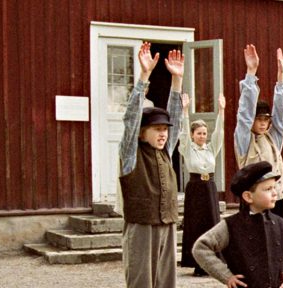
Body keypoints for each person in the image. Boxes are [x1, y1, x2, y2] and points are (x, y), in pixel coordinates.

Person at [118, 43, 184, 288]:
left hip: (166, 223)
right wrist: (144, 77)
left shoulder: (165, 151)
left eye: (164, 130)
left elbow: (175, 120)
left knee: (166, 282)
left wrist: (176, 81)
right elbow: (131, 119)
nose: (163, 134)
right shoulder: (130, 153)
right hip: (141, 226)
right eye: (157, 129)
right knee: (141, 282)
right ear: (142, 132)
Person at [193, 162, 283, 288]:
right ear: (248, 196)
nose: (275, 193)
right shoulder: (231, 225)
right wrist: (226, 276)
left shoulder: (281, 225)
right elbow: (200, 248)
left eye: (274, 187)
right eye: (268, 189)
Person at [235, 44, 283, 217]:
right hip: (254, 200)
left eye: (266, 120)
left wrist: (281, 77)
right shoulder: (244, 139)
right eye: (258, 119)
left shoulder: (272, 137)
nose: (262, 123)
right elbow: (244, 114)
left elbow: (281, 116)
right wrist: (251, 73)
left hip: (276, 196)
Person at [177, 92, 226, 276]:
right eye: (199, 133)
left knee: (212, 224)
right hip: (196, 189)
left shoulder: (211, 148)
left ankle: (212, 263)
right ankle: (197, 264)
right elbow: (183, 135)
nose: (202, 136)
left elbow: (219, 134)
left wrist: (221, 111)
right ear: (193, 135)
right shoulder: (188, 149)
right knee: (196, 225)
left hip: (209, 188)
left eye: (204, 133)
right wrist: (185, 111)